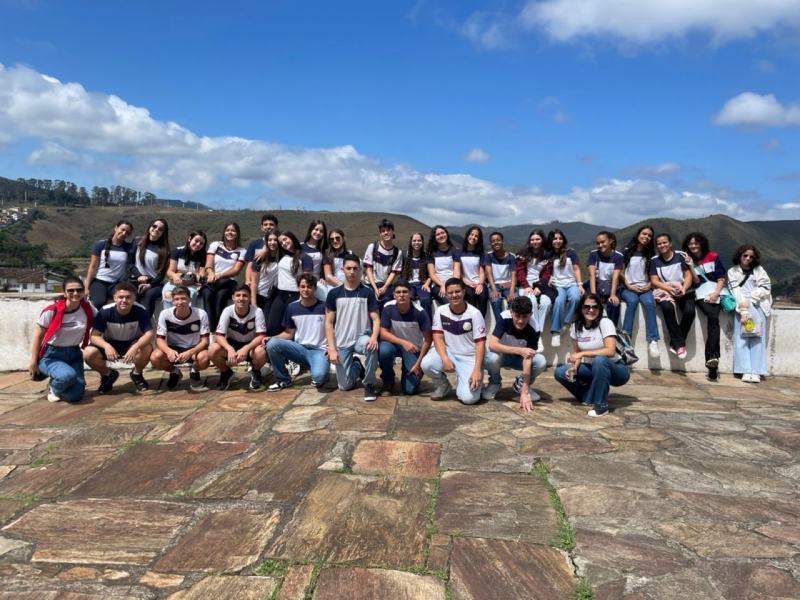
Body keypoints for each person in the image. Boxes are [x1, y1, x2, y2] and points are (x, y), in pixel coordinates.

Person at [420, 278, 502, 404]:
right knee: (427, 363)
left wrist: (476, 370)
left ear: (463, 292)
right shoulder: (441, 311)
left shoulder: (475, 314)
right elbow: (438, 337)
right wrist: (445, 358)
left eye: (457, 291)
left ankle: (471, 381)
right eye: (450, 292)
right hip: (450, 354)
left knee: (469, 399)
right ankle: (443, 385)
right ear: (446, 294)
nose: (454, 295)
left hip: (470, 358)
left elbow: (480, 344)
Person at [554, 294, 630, 418]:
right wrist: (574, 367)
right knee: (560, 372)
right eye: (587, 307)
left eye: (595, 307)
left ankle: (601, 405)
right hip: (595, 368)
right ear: (581, 308)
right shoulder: (576, 326)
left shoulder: (605, 323)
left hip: (617, 370)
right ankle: (589, 396)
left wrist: (583, 353)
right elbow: (576, 353)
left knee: (600, 360)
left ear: (600, 309)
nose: (591, 310)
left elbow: (610, 351)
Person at [28, 276, 96, 403]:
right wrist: (33, 362)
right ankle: (54, 387)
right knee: (67, 376)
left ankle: (61, 380)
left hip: (74, 354)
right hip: (52, 355)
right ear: (64, 293)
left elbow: (103, 321)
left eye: (79, 290)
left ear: (83, 291)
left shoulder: (88, 309)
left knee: (75, 396)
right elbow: (38, 336)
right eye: (70, 290)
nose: (75, 293)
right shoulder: (52, 311)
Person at [325, 254, 380, 401]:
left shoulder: (367, 292)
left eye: (355, 268)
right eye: (348, 268)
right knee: (344, 386)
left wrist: (374, 337)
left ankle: (369, 384)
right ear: (342, 269)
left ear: (360, 269)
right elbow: (328, 322)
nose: (351, 272)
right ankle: (357, 366)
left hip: (361, 337)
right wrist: (332, 349)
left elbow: (376, 319)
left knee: (371, 347)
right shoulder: (334, 293)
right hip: (342, 340)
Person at [83, 282, 154, 393]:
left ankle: (137, 374)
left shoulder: (140, 310)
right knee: (88, 353)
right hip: (111, 343)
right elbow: (94, 336)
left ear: (134, 298)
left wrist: (135, 347)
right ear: (114, 298)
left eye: (128, 297)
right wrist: (106, 346)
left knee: (147, 348)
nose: (124, 300)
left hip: (132, 342)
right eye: (121, 297)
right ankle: (108, 375)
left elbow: (149, 334)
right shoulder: (105, 311)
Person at [266, 274, 331, 391]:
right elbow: (288, 333)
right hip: (299, 349)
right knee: (272, 344)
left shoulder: (324, 306)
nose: (305, 289)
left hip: (319, 350)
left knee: (319, 377)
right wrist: (271, 338)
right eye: (303, 286)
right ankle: (283, 379)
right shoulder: (292, 307)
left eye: (309, 287)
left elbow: (333, 330)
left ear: (315, 288)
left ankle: (321, 372)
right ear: (298, 288)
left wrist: (332, 348)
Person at [489, 296, 547, 412]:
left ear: (530, 314)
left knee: (540, 361)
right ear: (511, 312)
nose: (520, 321)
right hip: (503, 355)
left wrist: (524, 392)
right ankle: (495, 383)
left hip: (520, 359)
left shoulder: (534, 327)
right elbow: (492, 345)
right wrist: (519, 350)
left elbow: (528, 358)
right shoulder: (504, 317)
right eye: (517, 316)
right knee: (491, 358)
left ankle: (520, 385)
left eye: (524, 316)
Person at [681, 232, 726, 381]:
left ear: (702, 243)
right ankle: (712, 359)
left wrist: (716, 293)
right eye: (690, 244)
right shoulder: (689, 260)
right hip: (700, 294)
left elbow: (721, 277)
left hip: (716, 292)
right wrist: (690, 265)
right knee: (712, 317)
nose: (693, 246)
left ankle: (712, 363)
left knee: (714, 319)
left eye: (696, 243)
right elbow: (695, 281)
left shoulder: (713, 256)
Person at [378, 279, 433, 396]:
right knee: (383, 350)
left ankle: (417, 369)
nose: (401, 295)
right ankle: (388, 381)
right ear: (394, 295)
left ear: (410, 293)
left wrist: (418, 364)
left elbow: (428, 340)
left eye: (405, 292)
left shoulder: (420, 312)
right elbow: (383, 333)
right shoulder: (388, 307)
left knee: (409, 390)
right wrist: (403, 342)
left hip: (413, 348)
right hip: (394, 345)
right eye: (398, 292)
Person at [209, 284, 268, 390]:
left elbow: (261, 335)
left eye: (245, 295)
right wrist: (229, 348)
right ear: (233, 297)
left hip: (251, 345)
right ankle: (226, 372)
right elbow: (219, 335)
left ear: (250, 297)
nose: (241, 298)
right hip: (232, 343)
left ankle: (256, 371)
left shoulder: (257, 311)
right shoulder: (228, 311)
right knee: (213, 349)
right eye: (238, 295)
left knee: (261, 352)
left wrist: (246, 348)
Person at [151, 285, 210, 390]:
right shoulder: (165, 314)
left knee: (204, 358)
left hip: (194, 348)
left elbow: (205, 341)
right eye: (177, 299)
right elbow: (159, 339)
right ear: (173, 301)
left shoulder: (201, 314)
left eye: (183, 298)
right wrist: (169, 351)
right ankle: (175, 372)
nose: (180, 302)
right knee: (155, 358)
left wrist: (190, 352)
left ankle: (194, 371)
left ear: (190, 300)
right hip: (174, 348)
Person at [729, 245, 772, 383]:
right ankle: (745, 370)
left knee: (758, 339)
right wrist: (744, 311)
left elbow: (766, 287)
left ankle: (757, 371)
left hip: (758, 307)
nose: (748, 258)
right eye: (745, 255)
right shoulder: (732, 271)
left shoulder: (759, 270)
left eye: (751, 256)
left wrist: (751, 301)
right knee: (741, 339)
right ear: (739, 255)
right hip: (741, 308)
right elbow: (735, 292)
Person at [649, 234, 693, 359]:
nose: (662, 245)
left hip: (682, 289)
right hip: (665, 291)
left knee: (689, 312)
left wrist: (684, 288)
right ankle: (680, 345)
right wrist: (668, 288)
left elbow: (688, 275)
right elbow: (654, 280)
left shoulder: (680, 256)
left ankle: (675, 343)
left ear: (670, 243)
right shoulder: (654, 260)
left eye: (664, 242)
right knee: (667, 308)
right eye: (659, 243)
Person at [620, 225, 660, 359]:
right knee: (632, 302)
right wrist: (629, 286)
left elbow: (653, 274)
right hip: (627, 287)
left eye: (649, 235)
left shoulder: (651, 254)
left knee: (649, 303)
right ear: (638, 235)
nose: (646, 237)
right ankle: (626, 341)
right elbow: (620, 272)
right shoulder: (626, 251)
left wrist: (649, 285)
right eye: (644, 234)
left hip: (645, 288)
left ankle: (653, 340)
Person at [266, 231, 314, 336]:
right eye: (281, 242)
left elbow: (307, 280)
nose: (283, 243)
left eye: (285, 239)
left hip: (295, 295)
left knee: (289, 328)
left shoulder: (305, 257)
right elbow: (269, 247)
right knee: (272, 326)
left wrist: (302, 298)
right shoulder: (282, 254)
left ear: (292, 238)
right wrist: (262, 251)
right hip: (280, 294)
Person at [201, 222, 246, 329]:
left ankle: (220, 329)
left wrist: (220, 275)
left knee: (221, 297)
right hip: (213, 280)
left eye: (233, 230)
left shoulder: (242, 251)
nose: (230, 232)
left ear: (237, 233)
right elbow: (208, 264)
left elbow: (236, 270)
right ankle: (210, 330)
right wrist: (211, 273)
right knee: (207, 295)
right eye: (227, 230)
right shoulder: (216, 245)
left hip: (229, 282)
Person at [516, 229, 554, 350]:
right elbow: (520, 272)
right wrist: (526, 286)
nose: (535, 242)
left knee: (546, 302)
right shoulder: (523, 253)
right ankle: (536, 336)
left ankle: (537, 333)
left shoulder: (547, 255)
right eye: (532, 239)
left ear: (542, 240)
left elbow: (547, 274)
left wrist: (540, 286)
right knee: (531, 301)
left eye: (537, 239)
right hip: (525, 285)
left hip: (540, 285)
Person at [85, 220, 134, 309]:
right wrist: (86, 287)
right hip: (100, 281)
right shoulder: (101, 244)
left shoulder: (129, 247)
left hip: (118, 283)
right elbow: (93, 267)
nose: (124, 233)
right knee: (100, 303)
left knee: (123, 302)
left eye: (127, 232)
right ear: (116, 228)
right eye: (122, 229)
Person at [548, 229, 583, 347]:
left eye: (560, 238)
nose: (558, 241)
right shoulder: (549, 254)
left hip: (571, 284)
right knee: (559, 301)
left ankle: (567, 323)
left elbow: (576, 269)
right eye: (555, 239)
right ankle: (555, 332)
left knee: (576, 297)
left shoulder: (570, 252)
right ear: (551, 240)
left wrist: (580, 284)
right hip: (558, 285)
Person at [130, 218, 171, 317]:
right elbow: (129, 263)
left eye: (160, 229)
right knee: (132, 296)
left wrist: (150, 285)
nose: (156, 230)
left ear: (163, 232)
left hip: (155, 283)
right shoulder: (137, 241)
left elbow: (161, 274)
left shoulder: (164, 250)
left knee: (150, 295)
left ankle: (145, 322)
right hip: (137, 279)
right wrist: (139, 276)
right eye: (154, 226)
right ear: (150, 226)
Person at [363, 219, 403, 312]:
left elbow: (393, 273)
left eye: (388, 230)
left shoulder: (397, 252)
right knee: (370, 302)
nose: (386, 233)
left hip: (386, 284)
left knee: (387, 302)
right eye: (383, 231)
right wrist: (375, 288)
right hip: (370, 283)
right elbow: (368, 269)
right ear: (380, 234)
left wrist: (384, 287)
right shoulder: (372, 247)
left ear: (393, 231)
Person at [163, 230, 207, 309]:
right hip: (175, 283)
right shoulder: (177, 251)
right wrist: (175, 276)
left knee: (188, 296)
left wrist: (190, 274)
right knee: (168, 294)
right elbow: (170, 271)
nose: (198, 244)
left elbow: (201, 275)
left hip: (191, 285)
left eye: (201, 243)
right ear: (189, 239)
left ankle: (187, 315)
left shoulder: (203, 256)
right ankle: (168, 315)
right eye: (196, 241)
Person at [587, 231, 624, 326]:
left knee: (614, 303)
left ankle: (612, 328)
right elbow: (592, 275)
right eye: (598, 243)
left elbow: (615, 276)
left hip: (611, 285)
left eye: (603, 242)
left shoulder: (618, 257)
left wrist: (613, 294)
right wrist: (593, 294)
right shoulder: (593, 254)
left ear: (610, 241)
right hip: (596, 285)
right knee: (590, 302)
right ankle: (592, 327)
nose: (600, 245)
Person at [485, 231, 517, 325]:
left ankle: (508, 323)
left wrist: (511, 292)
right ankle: (500, 325)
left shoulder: (511, 257)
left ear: (503, 241)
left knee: (514, 300)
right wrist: (494, 290)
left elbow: (513, 275)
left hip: (508, 285)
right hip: (494, 285)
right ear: (490, 244)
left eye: (498, 240)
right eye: (493, 241)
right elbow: (489, 274)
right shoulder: (488, 256)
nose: (496, 242)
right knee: (496, 300)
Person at [249, 230, 281, 323]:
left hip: (275, 297)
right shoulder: (259, 258)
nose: (272, 242)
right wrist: (253, 302)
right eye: (270, 240)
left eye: (275, 240)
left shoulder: (283, 257)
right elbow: (254, 282)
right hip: (261, 295)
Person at [426, 225, 461, 305]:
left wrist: (451, 285)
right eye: (438, 234)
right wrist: (442, 285)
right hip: (438, 285)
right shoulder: (431, 253)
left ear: (446, 234)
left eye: (442, 233)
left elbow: (456, 272)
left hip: (453, 284)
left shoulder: (455, 251)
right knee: (448, 302)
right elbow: (432, 274)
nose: (441, 236)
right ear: (434, 237)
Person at [401, 232, 433, 320]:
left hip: (422, 284)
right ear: (411, 242)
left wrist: (427, 284)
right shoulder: (404, 255)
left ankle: (427, 323)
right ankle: (409, 322)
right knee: (408, 299)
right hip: (408, 284)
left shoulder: (426, 256)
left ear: (422, 242)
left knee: (426, 299)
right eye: (414, 240)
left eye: (419, 240)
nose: (416, 243)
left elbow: (431, 274)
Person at [460, 226, 489, 317]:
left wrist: (480, 284)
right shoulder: (459, 252)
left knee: (483, 296)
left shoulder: (481, 254)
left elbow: (482, 271)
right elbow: (459, 271)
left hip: (479, 282)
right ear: (467, 235)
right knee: (471, 295)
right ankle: (472, 320)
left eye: (476, 236)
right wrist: (467, 283)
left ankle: (481, 321)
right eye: (471, 234)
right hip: (466, 283)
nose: (473, 237)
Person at [244, 214, 279, 288]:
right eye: (265, 224)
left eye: (271, 224)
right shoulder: (254, 244)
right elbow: (250, 264)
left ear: (276, 227)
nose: (268, 226)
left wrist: (265, 249)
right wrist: (248, 281)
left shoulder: (280, 243)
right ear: (262, 228)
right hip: (257, 285)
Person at [302, 219, 331, 300]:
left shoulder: (325, 249)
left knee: (326, 299)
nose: (318, 233)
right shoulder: (300, 247)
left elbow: (326, 267)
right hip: (301, 283)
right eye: (316, 229)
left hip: (317, 283)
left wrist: (323, 277)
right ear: (311, 229)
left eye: (321, 231)